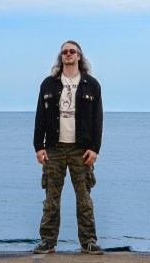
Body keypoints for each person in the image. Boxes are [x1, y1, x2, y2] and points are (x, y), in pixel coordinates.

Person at [32, 40, 104, 255]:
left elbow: (98, 119)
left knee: (84, 198)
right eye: (64, 52)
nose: (68, 54)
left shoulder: (91, 84)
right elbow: (40, 117)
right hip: (54, 148)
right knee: (51, 198)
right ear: (60, 56)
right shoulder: (49, 84)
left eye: (72, 51)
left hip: (81, 149)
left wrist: (95, 148)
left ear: (79, 56)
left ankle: (89, 241)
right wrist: (38, 146)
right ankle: (47, 241)